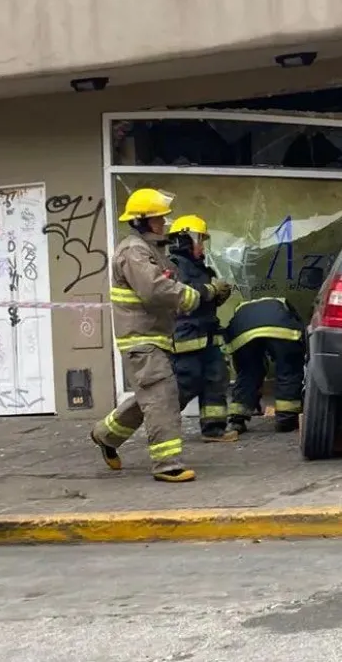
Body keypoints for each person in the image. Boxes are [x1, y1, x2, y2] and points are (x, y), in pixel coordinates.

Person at [90, 188, 224, 483]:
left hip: (154, 338)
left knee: (150, 397)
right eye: (159, 220)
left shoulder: (151, 251)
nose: (164, 224)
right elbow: (154, 290)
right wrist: (194, 296)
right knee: (162, 397)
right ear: (143, 221)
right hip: (141, 340)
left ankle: (106, 434)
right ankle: (167, 463)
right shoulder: (134, 251)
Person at [167, 215, 237, 443]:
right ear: (185, 240)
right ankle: (161, 427)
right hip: (186, 338)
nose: (202, 246)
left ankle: (214, 429)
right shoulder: (172, 267)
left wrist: (220, 294)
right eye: (199, 240)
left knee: (216, 380)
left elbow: (206, 301)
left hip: (208, 337)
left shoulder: (202, 268)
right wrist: (210, 289)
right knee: (185, 385)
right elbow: (181, 296)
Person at [225, 296, 305, 435]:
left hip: (242, 336)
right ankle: (286, 419)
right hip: (281, 331)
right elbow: (298, 330)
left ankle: (237, 419)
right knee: (288, 369)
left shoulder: (241, 308)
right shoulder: (282, 303)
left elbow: (241, 367)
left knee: (248, 372)